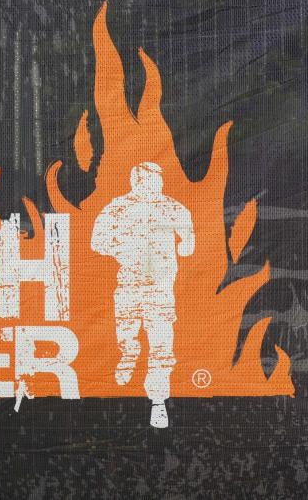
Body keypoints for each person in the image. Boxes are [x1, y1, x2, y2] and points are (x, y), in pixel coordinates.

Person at [91, 162, 194, 428]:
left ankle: (158, 402)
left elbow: (187, 231)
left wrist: (185, 242)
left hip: (160, 287)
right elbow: (97, 240)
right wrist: (122, 249)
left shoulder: (169, 206)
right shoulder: (119, 207)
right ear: (136, 183)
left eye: (158, 182)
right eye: (150, 182)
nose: (156, 186)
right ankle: (129, 353)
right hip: (129, 283)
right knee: (126, 330)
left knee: (161, 342)